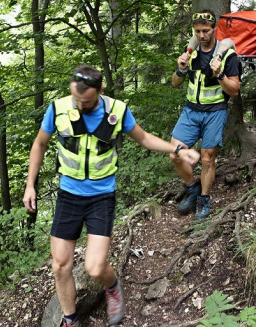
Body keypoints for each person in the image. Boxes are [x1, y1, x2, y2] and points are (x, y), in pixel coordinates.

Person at [22, 65, 200, 327]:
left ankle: (113, 285)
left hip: (101, 196)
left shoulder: (116, 111)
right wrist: (30, 185)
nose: (80, 104)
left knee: (95, 267)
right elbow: (39, 143)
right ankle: (70, 319)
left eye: (87, 101)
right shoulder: (58, 109)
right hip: (68, 195)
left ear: (100, 91)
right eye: (76, 99)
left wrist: (178, 148)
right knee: (60, 266)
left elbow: (144, 138)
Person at [170, 9, 241, 219]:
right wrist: (181, 69)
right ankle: (192, 187)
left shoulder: (228, 54)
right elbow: (175, 84)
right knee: (175, 153)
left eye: (206, 30)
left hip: (215, 111)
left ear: (214, 29)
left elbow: (235, 91)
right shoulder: (190, 53)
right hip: (191, 110)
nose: (202, 35)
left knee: (207, 158)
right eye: (198, 31)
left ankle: (204, 198)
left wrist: (219, 75)